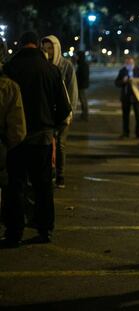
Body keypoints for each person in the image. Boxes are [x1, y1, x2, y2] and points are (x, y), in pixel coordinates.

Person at [2, 31, 71, 245]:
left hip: (14, 139)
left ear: (21, 45)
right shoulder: (51, 70)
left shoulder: (10, 69)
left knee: (15, 186)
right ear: (37, 46)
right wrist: (53, 128)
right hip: (42, 137)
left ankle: (14, 232)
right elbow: (64, 109)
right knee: (43, 187)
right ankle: (45, 230)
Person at [41, 35, 78, 189]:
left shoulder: (66, 66)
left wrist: (70, 112)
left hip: (63, 111)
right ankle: (49, 173)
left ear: (56, 48)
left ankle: (60, 175)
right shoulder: (42, 65)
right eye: (44, 49)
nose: (47, 52)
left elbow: (72, 90)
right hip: (47, 113)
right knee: (48, 144)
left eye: (50, 48)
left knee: (61, 144)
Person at [0, 41, 27, 248]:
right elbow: (18, 129)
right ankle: (13, 232)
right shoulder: (9, 86)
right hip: (3, 150)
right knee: (11, 190)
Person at [115, 56, 139, 139]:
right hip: (126, 97)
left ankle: (138, 133)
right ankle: (125, 132)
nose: (129, 64)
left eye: (130, 63)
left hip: (137, 98)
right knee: (125, 116)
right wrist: (122, 81)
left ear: (134, 62)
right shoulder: (122, 71)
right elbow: (116, 83)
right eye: (127, 63)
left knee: (138, 116)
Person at [76, 51, 90, 121]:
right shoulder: (83, 64)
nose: (76, 57)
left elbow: (82, 76)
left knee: (83, 100)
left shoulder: (82, 65)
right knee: (83, 100)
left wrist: (78, 82)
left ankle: (85, 115)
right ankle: (84, 114)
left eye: (77, 56)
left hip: (81, 85)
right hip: (82, 85)